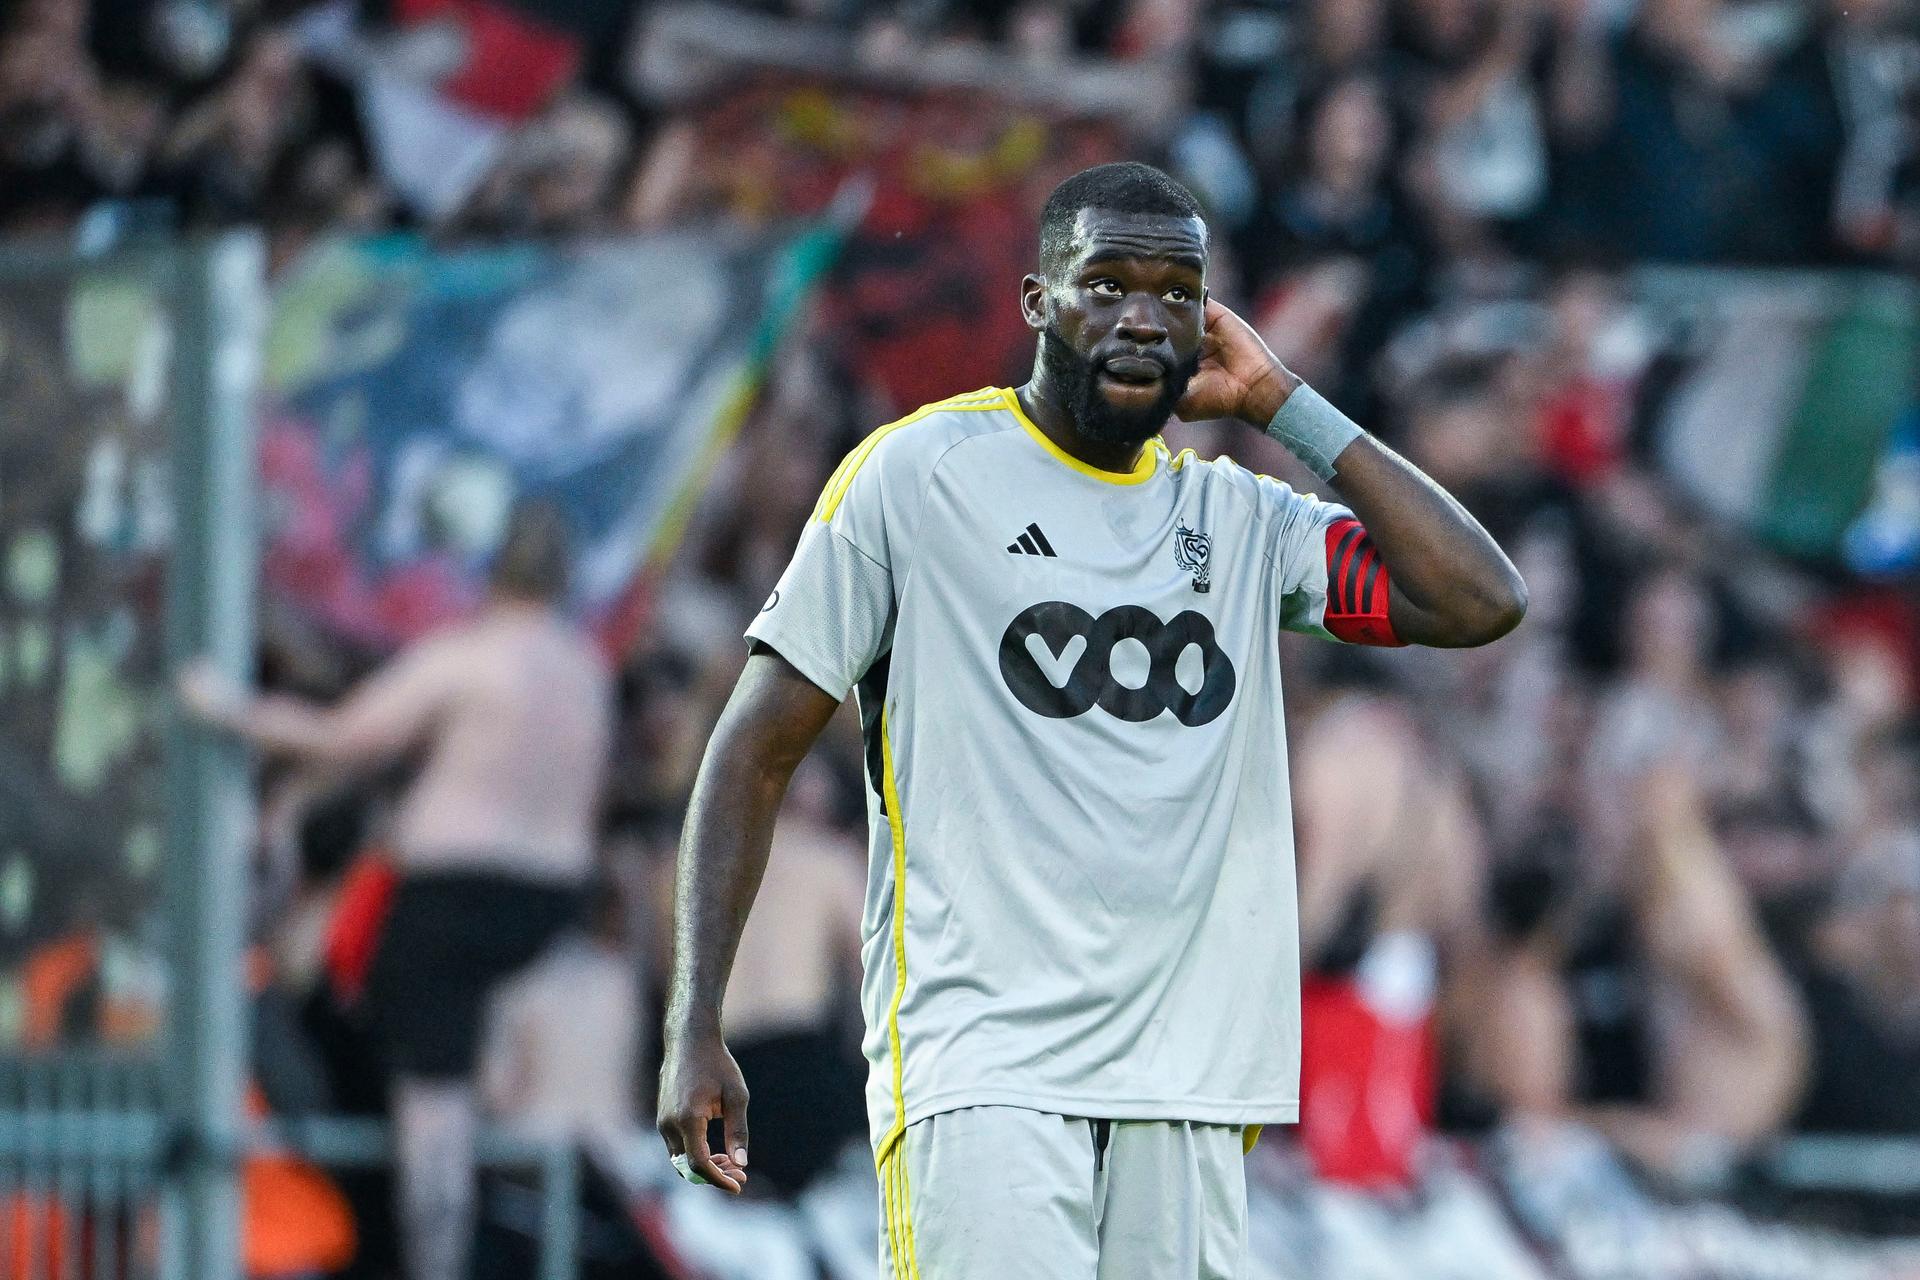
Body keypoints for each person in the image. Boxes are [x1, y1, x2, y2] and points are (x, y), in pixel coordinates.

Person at [655, 161, 1526, 1277]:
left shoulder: (1246, 520)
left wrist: (1285, 407)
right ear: (1035, 302)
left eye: (1176, 293)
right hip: (987, 1068)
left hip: (1190, 1081)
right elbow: (753, 747)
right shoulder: (918, 476)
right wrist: (694, 1020)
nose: (1141, 317)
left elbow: (1479, 597)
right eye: (1106, 283)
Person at [177, 501, 613, 1280]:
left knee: (432, 1105)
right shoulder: (585, 674)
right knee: (484, 1072)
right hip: (551, 900)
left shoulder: (475, 657)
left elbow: (346, 734)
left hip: (453, 899)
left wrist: (228, 710)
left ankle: (435, 1263)